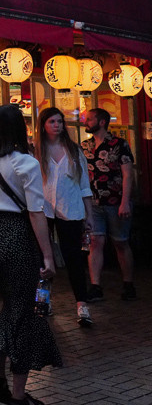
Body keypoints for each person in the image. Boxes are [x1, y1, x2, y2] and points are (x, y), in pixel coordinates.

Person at [0, 104, 61, 405]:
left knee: (14, 306)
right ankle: (18, 394)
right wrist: (48, 255)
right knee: (25, 313)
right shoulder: (26, 163)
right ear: (19, 128)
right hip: (18, 237)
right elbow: (36, 213)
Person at [34, 108, 94, 326]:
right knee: (43, 258)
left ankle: (81, 304)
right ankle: (43, 302)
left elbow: (84, 185)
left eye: (59, 121)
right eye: (52, 121)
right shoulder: (35, 153)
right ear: (43, 125)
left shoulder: (73, 150)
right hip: (42, 210)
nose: (57, 125)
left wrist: (89, 215)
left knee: (74, 258)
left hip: (71, 209)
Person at [81, 108, 137, 302]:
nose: (86, 122)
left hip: (116, 200)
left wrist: (125, 202)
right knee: (96, 242)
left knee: (120, 242)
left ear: (102, 121)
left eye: (89, 119)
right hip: (93, 201)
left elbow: (128, 174)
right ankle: (96, 285)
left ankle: (128, 283)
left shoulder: (118, 144)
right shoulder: (85, 146)